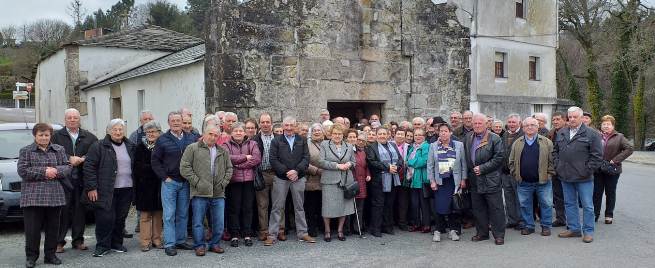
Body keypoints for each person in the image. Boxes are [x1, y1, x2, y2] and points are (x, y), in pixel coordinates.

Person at [18, 123, 70, 268]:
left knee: (53, 228)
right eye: (41, 135)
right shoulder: (26, 151)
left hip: (55, 195)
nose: (44, 137)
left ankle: (50, 255)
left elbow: (67, 167)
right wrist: (44, 172)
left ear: (50, 136)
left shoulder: (59, 149)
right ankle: (31, 257)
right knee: (32, 230)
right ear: (35, 135)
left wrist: (55, 171)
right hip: (33, 197)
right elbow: (23, 171)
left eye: (46, 135)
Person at [84, 119, 135, 257]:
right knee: (105, 218)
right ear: (108, 131)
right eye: (115, 129)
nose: (118, 132)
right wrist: (91, 187)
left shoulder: (130, 145)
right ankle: (102, 246)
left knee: (120, 218)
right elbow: (89, 167)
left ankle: (116, 243)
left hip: (126, 188)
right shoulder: (99, 146)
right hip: (105, 189)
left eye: (120, 129)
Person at [180, 125, 233, 256]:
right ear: (204, 134)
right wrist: (197, 182)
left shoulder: (222, 150)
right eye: (210, 134)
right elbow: (184, 168)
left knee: (219, 222)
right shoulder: (192, 148)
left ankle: (215, 244)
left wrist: (223, 183)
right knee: (198, 222)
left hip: (218, 193)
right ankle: (199, 245)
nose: (213, 137)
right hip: (199, 192)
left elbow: (229, 169)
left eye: (216, 135)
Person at [151, 111, 198, 256]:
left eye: (178, 120)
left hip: (185, 182)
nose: (176, 123)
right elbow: (155, 161)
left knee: (183, 214)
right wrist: (165, 178)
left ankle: (180, 240)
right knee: (169, 214)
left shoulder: (191, 137)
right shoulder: (162, 139)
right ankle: (170, 244)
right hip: (170, 183)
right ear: (169, 122)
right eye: (173, 120)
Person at [263, 116, 316, 246]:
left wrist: (296, 171)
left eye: (291, 125)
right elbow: (273, 159)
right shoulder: (276, 140)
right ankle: (272, 235)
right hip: (281, 178)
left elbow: (306, 158)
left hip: (298, 177)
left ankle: (303, 233)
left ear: (295, 126)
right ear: (283, 126)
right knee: (277, 207)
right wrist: (287, 172)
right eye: (286, 125)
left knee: (299, 207)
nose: (289, 128)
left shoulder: (302, 140)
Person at [51, 108, 97, 253]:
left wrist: (83, 159)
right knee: (62, 212)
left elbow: (95, 153)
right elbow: (51, 154)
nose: (72, 120)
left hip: (82, 180)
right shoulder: (56, 137)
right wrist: (68, 158)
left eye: (75, 118)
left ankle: (78, 240)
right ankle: (58, 242)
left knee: (80, 211)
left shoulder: (89, 137)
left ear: (79, 119)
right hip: (62, 180)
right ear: (65, 120)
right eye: (69, 118)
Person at [553, 106, 603, 243]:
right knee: (569, 203)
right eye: (570, 117)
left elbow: (597, 156)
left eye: (575, 117)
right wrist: (558, 166)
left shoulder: (592, 134)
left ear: (581, 118)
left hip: (584, 178)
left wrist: (587, 170)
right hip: (565, 176)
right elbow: (555, 152)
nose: (573, 119)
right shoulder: (562, 132)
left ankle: (588, 231)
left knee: (587, 205)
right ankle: (574, 229)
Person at [508, 117, 555, 236]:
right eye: (527, 125)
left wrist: (549, 174)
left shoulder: (546, 142)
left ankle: (546, 226)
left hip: (543, 181)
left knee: (546, 204)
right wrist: (515, 173)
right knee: (524, 205)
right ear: (523, 128)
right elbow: (511, 161)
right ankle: (529, 226)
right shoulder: (517, 143)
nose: (530, 127)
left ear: (537, 127)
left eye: (533, 125)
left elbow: (552, 161)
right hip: (523, 182)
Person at [464, 113, 506, 245]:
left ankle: (499, 235)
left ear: (486, 124)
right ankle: (482, 233)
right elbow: (465, 157)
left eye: (479, 123)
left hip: (490, 179)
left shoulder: (495, 138)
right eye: (475, 123)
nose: (477, 125)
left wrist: (483, 168)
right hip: (474, 180)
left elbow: (499, 158)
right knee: (478, 208)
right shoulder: (468, 137)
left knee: (496, 208)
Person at [221, 122, 261, 247]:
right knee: (234, 209)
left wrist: (238, 165)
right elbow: (227, 158)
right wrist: (245, 157)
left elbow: (256, 159)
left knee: (248, 208)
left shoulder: (252, 144)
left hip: (249, 181)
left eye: (240, 131)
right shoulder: (226, 145)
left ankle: (247, 234)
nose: (238, 133)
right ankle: (234, 235)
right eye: (236, 131)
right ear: (231, 133)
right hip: (233, 182)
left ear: (244, 133)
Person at [428, 123, 466, 242]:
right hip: (440, 181)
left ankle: (453, 230)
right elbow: (430, 165)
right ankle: (438, 230)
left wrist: (463, 179)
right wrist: (432, 181)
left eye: (445, 131)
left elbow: (463, 163)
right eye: (441, 131)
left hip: (454, 181)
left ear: (450, 132)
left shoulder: (459, 145)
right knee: (440, 206)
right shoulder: (433, 146)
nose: (443, 133)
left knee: (453, 207)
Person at [318, 123, 356, 242]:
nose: (337, 136)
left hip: (345, 181)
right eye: (335, 133)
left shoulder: (349, 146)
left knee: (343, 207)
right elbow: (321, 162)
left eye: (339, 134)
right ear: (330, 134)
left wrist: (349, 164)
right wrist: (337, 166)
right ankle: (327, 231)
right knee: (327, 207)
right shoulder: (324, 144)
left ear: (343, 135)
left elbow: (354, 162)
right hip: (329, 180)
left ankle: (340, 231)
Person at [594, 115, 633, 224]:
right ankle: (595, 214)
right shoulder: (596, 135)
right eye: (604, 124)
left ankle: (609, 215)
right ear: (601, 125)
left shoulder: (619, 136)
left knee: (610, 193)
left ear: (613, 125)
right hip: (598, 169)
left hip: (612, 169)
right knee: (596, 193)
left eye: (608, 124)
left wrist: (615, 160)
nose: (606, 126)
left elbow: (629, 149)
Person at [254, 113, 286, 241]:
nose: (265, 124)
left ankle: (280, 229)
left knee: (279, 204)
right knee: (262, 205)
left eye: (268, 122)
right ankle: (264, 230)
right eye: (263, 122)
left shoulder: (280, 138)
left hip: (277, 174)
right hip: (262, 174)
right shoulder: (254, 139)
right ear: (259, 124)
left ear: (271, 123)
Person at [133, 121, 164, 251]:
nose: (151, 134)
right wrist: (154, 168)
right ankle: (145, 242)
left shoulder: (162, 146)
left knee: (157, 214)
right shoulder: (139, 147)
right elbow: (137, 167)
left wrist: (154, 168)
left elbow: (164, 165)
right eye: (148, 132)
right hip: (144, 186)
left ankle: (157, 240)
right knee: (145, 215)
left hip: (159, 185)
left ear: (158, 133)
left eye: (153, 131)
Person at [366, 128, 403, 237]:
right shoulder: (371, 147)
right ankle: (376, 228)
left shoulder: (393, 145)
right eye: (380, 134)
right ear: (376, 136)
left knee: (389, 204)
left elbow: (400, 159)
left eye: (384, 134)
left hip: (392, 179)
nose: (382, 136)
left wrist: (396, 167)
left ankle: (387, 226)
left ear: (388, 135)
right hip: (378, 181)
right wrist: (387, 167)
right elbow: (371, 162)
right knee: (378, 204)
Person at [405, 128, 431, 233]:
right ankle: (416, 223)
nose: (418, 137)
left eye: (420, 135)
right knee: (414, 203)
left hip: (422, 179)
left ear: (424, 136)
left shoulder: (426, 146)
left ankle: (426, 225)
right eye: (416, 135)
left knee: (424, 204)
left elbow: (424, 161)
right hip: (412, 179)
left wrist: (410, 162)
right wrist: (410, 161)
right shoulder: (412, 148)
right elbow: (406, 159)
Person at [501, 113, 523, 230]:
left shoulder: (523, 134)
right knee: (508, 197)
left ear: (519, 123)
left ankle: (521, 220)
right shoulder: (505, 134)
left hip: (517, 173)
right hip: (505, 172)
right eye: (509, 122)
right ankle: (512, 220)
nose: (511, 124)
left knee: (519, 198)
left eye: (513, 122)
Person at [547, 111, 567, 226]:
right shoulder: (551, 133)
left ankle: (572, 220)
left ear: (564, 120)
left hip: (569, 169)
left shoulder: (570, 132)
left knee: (570, 196)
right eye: (553, 120)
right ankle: (560, 218)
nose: (555, 122)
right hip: (555, 169)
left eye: (558, 119)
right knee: (558, 195)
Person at [305, 123, 324, 237]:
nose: (317, 132)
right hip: (311, 180)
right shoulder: (307, 145)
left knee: (322, 205)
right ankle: (312, 227)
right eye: (314, 131)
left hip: (325, 180)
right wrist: (316, 170)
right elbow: (304, 162)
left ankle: (322, 226)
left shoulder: (327, 143)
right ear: (311, 133)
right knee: (311, 206)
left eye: (319, 130)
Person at [351, 132, 370, 234]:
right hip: (352, 180)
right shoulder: (351, 151)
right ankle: (348, 228)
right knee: (350, 206)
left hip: (362, 181)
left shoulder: (365, 152)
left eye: (363, 140)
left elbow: (367, 166)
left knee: (360, 207)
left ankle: (358, 227)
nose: (360, 142)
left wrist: (368, 174)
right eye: (359, 139)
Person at [392, 128, 410, 231]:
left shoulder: (409, 147)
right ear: (394, 135)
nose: (400, 136)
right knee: (392, 200)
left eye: (402, 134)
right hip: (393, 176)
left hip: (404, 177)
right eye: (398, 134)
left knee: (403, 201)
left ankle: (402, 222)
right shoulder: (390, 145)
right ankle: (392, 221)